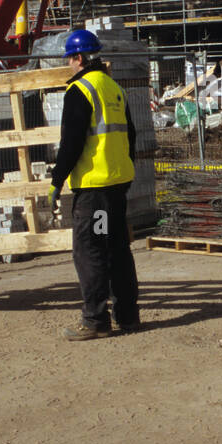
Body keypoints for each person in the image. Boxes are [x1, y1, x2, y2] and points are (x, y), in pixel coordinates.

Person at [48, 29, 140, 340]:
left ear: (77, 58)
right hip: (117, 186)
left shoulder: (80, 90)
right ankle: (128, 316)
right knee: (117, 249)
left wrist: (56, 181)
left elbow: (71, 143)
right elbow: (131, 137)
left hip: (94, 191)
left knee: (91, 251)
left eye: (70, 60)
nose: (70, 66)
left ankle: (95, 320)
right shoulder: (114, 88)